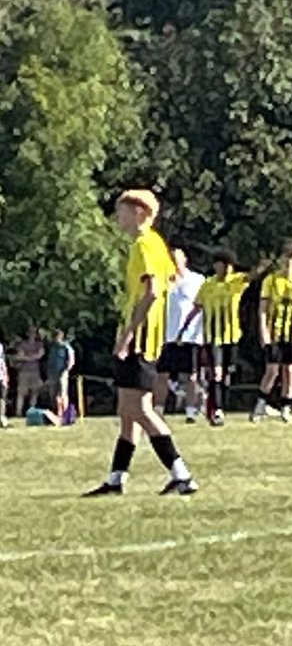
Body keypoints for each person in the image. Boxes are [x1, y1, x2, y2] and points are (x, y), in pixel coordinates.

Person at [83, 189, 197, 497]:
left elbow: (153, 291)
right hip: (149, 335)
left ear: (139, 212)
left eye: (121, 211)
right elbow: (171, 279)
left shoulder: (145, 244)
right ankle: (116, 478)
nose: (117, 218)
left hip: (142, 338)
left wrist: (128, 334)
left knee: (141, 409)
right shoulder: (156, 244)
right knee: (126, 410)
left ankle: (181, 473)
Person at [177, 249, 249, 426]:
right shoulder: (208, 285)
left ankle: (220, 406)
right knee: (216, 373)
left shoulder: (237, 281)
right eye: (218, 264)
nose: (221, 268)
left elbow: (253, 276)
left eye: (225, 265)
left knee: (226, 376)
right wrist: (183, 329)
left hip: (232, 336)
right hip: (212, 336)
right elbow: (196, 308)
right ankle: (216, 409)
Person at [251, 244, 292, 424]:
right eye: (285, 258)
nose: (288, 263)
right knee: (272, 369)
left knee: (290, 370)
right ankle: (260, 405)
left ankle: (286, 408)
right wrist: (263, 331)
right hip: (275, 332)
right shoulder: (271, 280)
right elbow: (263, 309)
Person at [155, 248, 205, 423]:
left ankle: (190, 411)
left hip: (191, 336)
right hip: (168, 335)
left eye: (177, 259)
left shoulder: (197, 280)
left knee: (191, 375)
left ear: (185, 259)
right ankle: (158, 410)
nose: (174, 263)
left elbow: (202, 305)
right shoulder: (164, 281)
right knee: (162, 374)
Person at [15, 326, 45, 416]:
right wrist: (32, 357)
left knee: (34, 392)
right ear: (27, 334)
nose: (33, 334)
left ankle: (31, 411)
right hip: (24, 372)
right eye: (31, 332)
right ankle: (18, 412)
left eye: (34, 333)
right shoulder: (22, 344)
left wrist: (27, 357)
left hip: (35, 371)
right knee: (21, 392)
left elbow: (40, 354)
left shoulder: (39, 344)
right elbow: (19, 356)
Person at [46, 329, 75, 420]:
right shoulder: (53, 347)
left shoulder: (66, 347)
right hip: (53, 373)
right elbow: (50, 361)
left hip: (62, 373)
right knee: (54, 394)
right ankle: (58, 412)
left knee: (63, 393)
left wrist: (66, 370)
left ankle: (65, 413)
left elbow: (71, 360)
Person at [0, 339, 8, 428]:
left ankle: (2, 416)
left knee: (2, 398)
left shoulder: (0, 346)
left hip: (1, 377)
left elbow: (3, 362)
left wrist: (5, 377)